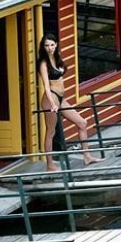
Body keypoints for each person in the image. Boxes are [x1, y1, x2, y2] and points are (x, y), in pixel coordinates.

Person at [38, 33, 102, 172]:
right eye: (47, 45)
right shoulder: (43, 63)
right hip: (51, 99)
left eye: (52, 45)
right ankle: (49, 164)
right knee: (51, 131)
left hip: (61, 98)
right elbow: (46, 86)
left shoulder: (57, 58)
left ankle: (87, 156)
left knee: (82, 123)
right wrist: (53, 104)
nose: (50, 48)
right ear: (43, 47)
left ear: (56, 45)